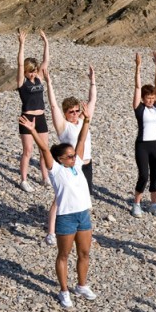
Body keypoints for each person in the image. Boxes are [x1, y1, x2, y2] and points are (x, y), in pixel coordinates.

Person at [19, 104, 95, 309]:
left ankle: (81, 285)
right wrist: (33, 130)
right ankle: (64, 291)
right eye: (69, 156)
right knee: (63, 255)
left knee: (85, 253)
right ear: (60, 159)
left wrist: (86, 120)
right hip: (66, 217)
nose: (73, 157)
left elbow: (80, 140)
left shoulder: (77, 164)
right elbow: (44, 149)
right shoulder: (56, 171)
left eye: (73, 155)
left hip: (83, 215)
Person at [43, 61, 97, 246]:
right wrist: (49, 83)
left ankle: (81, 228)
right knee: (59, 199)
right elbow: (53, 106)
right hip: (68, 164)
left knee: (84, 194)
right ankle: (51, 231)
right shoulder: (63, 126)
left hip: (85, 164)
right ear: (66, 113)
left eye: (76, 111)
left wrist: (92, 82)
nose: (75, 114)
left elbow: (92, 102)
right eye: (71, 112)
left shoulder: (83, 120)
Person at [16, 28, 50, 192]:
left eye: (34, 71)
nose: (33, 74)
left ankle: (45, 177)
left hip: (41, 117)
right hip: (27, 118)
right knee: (28, 151)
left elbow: (46, 61)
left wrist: (46, 42)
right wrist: (22, 45)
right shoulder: (22, 82)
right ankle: (23, 179)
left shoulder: (39, 78)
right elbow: (20, 64)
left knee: (44, 150)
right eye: (30, 71)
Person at [131, 51, 156, 218]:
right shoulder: (139, 109)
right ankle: (136, 204)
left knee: (155, 176)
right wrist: (138, 67)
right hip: (142, 145)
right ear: (143, 98)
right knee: (144, 175)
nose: (151, 100)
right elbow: (137, 87)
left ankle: (153, 205)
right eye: (148, 98)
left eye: (152, 98)